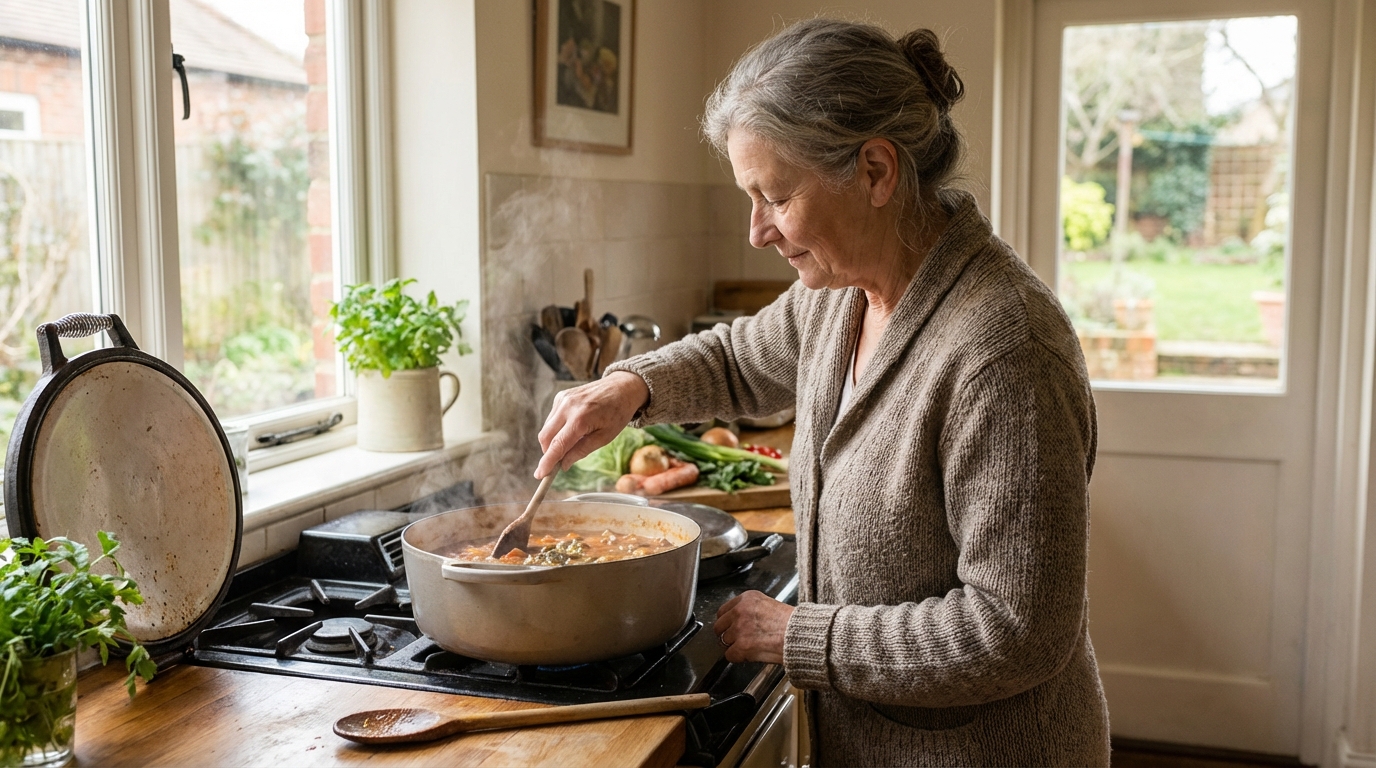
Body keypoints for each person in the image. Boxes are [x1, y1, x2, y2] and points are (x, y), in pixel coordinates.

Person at [535, 18, 1110, 767]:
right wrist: (627, 386)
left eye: (774, 195)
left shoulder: (1003, 351)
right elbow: (742, 357)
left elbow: (1014, 630)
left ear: (875, 171)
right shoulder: (842, 294)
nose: (756, 230)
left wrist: (798, 635)